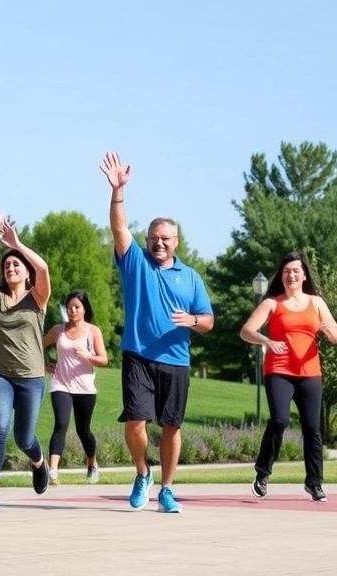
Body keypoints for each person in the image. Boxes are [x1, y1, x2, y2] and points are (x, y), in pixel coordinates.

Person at [100, 151, 214, 513]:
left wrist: (192, 321)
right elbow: (119, 228)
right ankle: (142, 472)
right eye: (154, 237)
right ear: (147, 240)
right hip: (138, 354)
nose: (159, 243)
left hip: (176, 360)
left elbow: (208, 321)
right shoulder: (135, 263)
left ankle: (167, 488)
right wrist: (118, 191)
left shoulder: (190, 277)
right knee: (135, 421)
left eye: (166, 238)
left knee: (171, 426)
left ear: (176, 241)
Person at [0, 211, 52, 516]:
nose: (11, 267)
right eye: (7, 265)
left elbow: (43, 267)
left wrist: (17, 245)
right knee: (1, 427)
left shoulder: (38, 298)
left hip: (31, 378)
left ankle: (38, 462)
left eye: (16, 264)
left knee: (24, 438)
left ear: (27, 272)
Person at [240, 251, 337, 502]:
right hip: (279, 371)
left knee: (312, 428)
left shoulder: (316, 303)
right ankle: (262, 474)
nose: (291, 275)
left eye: (296, 270)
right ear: (281, 276)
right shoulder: (272, 303)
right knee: (279, 420)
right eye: (287, 271)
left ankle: (314, 483)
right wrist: (266, 341)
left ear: (304, 275)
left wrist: (328, 331)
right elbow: (246, 331)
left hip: (310, 373)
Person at [43, 289, 109, 485]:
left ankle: (92, 463)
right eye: (69, 307)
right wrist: (46, 363)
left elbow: (104, 360)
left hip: (85, 387)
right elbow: (40, 344)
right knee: (61, 424)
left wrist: (88, 356)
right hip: (61, 384)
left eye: (77, 307)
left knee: (83, 430)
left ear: (84, 309)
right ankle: (53, 470)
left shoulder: (93, 331)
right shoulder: (58, 330)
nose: (72, 311)